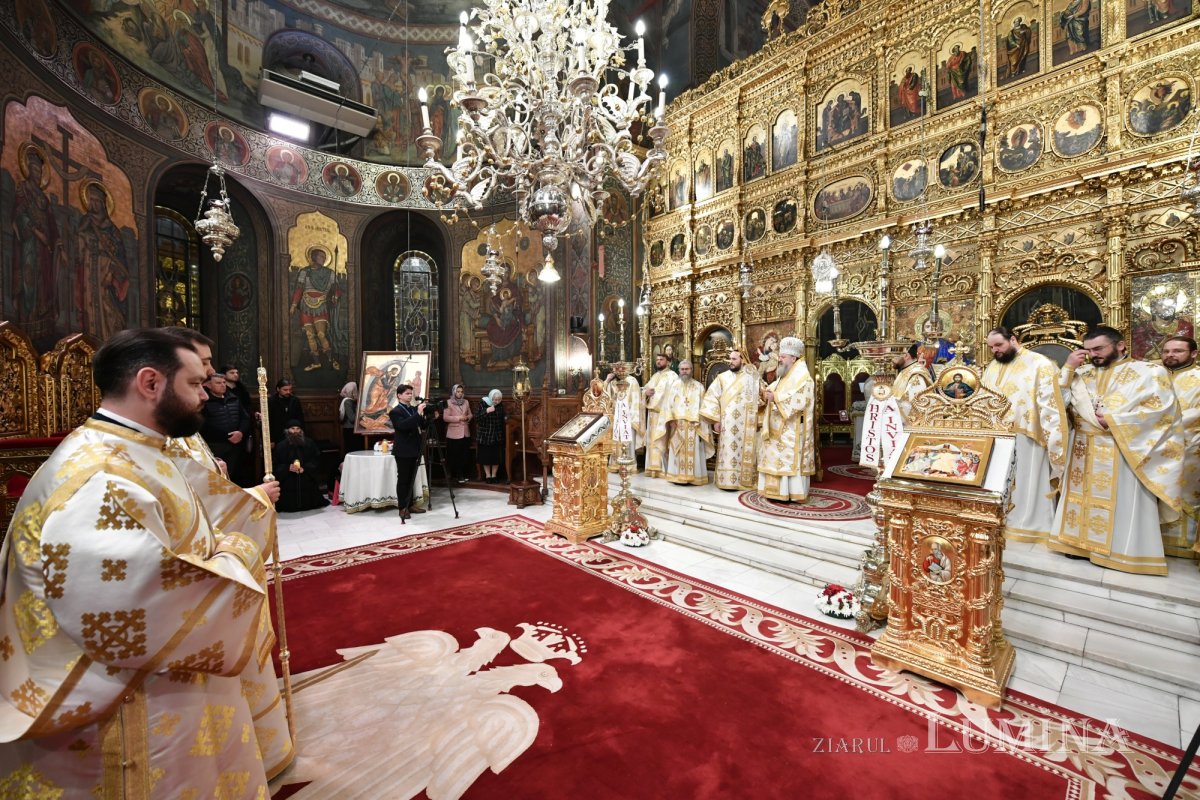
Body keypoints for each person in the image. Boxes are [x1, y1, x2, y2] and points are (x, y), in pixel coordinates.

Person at [0, 328, 278, 796]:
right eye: (193, 385)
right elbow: (132, 603)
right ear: (150, 383)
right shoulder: (102, 474)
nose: (204, 397)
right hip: (123, 702)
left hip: (158, 674)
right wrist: (239, 552)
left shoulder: (135, 449)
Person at [1050, 326, 1184, 574]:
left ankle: (1121, 551)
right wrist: (1067, 368)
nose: (1093, 355)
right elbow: (1056, 403)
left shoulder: (1148, 372)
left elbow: (1161, 413)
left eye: (1099, 348)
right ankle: (1078, 546)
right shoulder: (1082, 373)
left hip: (1123, 449)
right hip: (1083, 448)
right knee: (1081, 498)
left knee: (1121, 502)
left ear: (1120, 345)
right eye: (1089, 350)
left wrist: (1113, 419)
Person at [981, 327, 1068, 543]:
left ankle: (1031, 526)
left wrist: (1051, 435)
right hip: (996, 435)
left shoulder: (1040, 364)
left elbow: (1053, 402)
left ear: (1012, 339)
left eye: (999, 345)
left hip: (1028, 434)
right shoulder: (993, 365)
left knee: (1027, 481)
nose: (995, 351)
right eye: (991, 347)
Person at [757, 337, 815, 502]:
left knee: (789, 459)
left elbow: (798, 400)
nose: (779, 359)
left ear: (793, 358)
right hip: (776, 428)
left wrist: (774, 397)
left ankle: (791, 493)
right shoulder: (785, 376)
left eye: (782, 357)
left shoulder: (803, 378)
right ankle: (775, 492)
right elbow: (773, 391)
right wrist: (764, 392)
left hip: (792, 428)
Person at [1159, 335, 1200, 559]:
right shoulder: (1153, 376)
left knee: (1184, 493)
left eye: (1177, 351)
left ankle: (1184, 546)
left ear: (1193, 353)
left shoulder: (1197, 377)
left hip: (1189, 445)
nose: (1170, 356)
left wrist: (1163, 425)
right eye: (1166, 351)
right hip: (1151, 447)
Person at [700, 347, 761, 490]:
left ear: (743, 360)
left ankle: (744, 480)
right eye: (730, 359)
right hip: (727, 424)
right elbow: (711, 398)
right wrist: (715, 420)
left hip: (746, 424)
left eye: (734, 359)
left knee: (744, 452)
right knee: (728, 452)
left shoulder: (751, 378)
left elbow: (761, 398)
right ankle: (728, 481)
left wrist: (758, 420)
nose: (731, 362)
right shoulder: (722, 378)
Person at [664, 360, 714, 485]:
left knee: (695, 450)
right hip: (678, 424)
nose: (684, 371)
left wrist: (701, 423)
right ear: (679, 371)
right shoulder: (674, 385)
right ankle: (676, 476)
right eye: (682, 369)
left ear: (691, 370)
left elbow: (704, 407)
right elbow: (668, 404)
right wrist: (671, 420)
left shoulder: (699, 387)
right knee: (677, 449)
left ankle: (695, 478)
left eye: (687, 369)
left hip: (694, 425)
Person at [200, 371, 253, 484]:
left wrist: (241, 432)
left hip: (236, 446)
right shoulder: (204, 401)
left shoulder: (234, 398)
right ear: (208, 385)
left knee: (237, 477)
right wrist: (227, 436)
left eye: (224, 382)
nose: (223, 385)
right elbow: (204, 425)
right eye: (218, 383)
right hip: (216, 446)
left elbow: (245, 418)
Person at [389, 384, 429, 519]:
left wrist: (429, 416)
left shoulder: (412, 409)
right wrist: (418, 414)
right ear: (399, 395)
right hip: (403, 450)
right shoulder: (395, 412)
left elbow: (422, 425)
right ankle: (402, 507)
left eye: (411, 393)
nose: (410, 395)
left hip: (415, 448)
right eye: (407, 393)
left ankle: (410, 504)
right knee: (403, 480)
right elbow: (403, 426)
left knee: (412, 478)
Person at [273, 419, 330, 512]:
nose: (295, 431)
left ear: (301, 430)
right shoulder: (281, 446)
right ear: (287, 430)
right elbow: (275, 464)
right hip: (288, 481)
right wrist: (287, 467)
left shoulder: (309, 443)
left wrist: (305, 468)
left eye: (298, 428)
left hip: (305, 478)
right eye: (292, 428)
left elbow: (316, 460)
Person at [642, 353, 680, 478]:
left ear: (668, 362)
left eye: (661, 360)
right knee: (652, 442)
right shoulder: (654, 376)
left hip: (664, 414)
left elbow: (674, 395)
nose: (658, 362)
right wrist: (645, 393)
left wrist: (672, 415)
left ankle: (663, 470)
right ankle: (652, 469)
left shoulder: (672, 376)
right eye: (657, 359)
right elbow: (646, 390)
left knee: (662, 441)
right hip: (652, 415)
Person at [605, 362, 643, 472]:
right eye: (617, 369)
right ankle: (615, 464)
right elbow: (605, 396)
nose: (619, 371)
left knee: (627, 440)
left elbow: (636, 400)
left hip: (628, 416)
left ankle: (629, 466)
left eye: (621, 369)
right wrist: (607, 381)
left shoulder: (632, 381)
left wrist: (632, 417)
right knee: (616, 440)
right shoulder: (612, 382)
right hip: (615, 415)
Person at [893, 341, 935, 422]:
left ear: (906, 355)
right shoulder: (905, 371)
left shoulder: (916, 374)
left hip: (912, 426)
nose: (893, 360)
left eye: (895, 356)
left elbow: (911, 403)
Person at [443, 383, 474, 483]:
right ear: (454, 392)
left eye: (461, 392)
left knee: (464, 455)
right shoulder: (448, 402)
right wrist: (459, 418)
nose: (460, 393)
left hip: (465, 432)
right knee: (454, 455)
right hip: (453, 433)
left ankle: (463, 474)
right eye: (458, 391)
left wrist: (468, 418)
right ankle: (455, 475)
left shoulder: (466, 402)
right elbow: (445, 418)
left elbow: (470, 414)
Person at [476, 388, 506, 483]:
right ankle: (488, 476)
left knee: (495, 457)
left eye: (499, 399)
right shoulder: (483, 403)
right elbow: (477, 418)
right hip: (485, 436)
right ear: (490, 397)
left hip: (497, 436)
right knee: (486, 457)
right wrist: (487, 411)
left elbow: (502, 418)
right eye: (495, 399)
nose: (496, 401)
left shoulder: (500, 406)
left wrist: (506, 417)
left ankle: (494, 475)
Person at [268, 377, 305, 443]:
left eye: (290, 389)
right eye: (285, 390)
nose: (288, 392)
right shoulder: (271, 401)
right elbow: (270, 421)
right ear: (278, 389)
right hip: (277, 435)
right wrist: (271, 440)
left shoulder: (295, 400)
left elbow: (300, 419)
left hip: (293, 436)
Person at [339, 380, 359, 454]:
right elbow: (352, 418)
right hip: (349, 429)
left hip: (352, 430)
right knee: (351, 450)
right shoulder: (347, 401)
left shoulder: (351, 401)